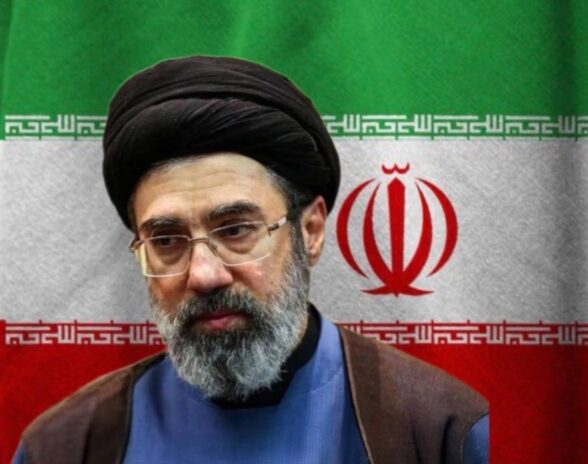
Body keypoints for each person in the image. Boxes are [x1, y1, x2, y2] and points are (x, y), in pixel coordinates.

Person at [13, 56, 489, 464]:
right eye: (167, 240)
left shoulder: (438, 432)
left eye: (236, 230)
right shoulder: (68, 446)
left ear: (310, 231)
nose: (204, 275)